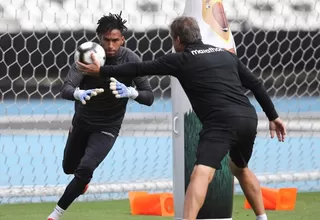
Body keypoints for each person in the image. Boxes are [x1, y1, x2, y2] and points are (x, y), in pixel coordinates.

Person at [76, 16, 286, 220]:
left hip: (221, 122)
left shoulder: (181, 59)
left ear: (177, 39)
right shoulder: (226, 55)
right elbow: (256, 84)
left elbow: (140, 68)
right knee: (239, 168)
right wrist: (273, 116)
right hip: (248, 118)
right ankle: (262, 217)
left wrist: (101, 71)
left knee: (200, 174)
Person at [47, 12, 154, 220]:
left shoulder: (131, 60)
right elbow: (66, 88)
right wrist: (78, 94)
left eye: (115, 40)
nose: (111, 45)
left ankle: (55, 214)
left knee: (86, 167)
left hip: (108, 126)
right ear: (99, 37)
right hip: (82, 122)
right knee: (69, 168)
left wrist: (132, 93)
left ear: (123, 39)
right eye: (107, 40)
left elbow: (149, 96)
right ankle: (82, 182)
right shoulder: (87, 55)